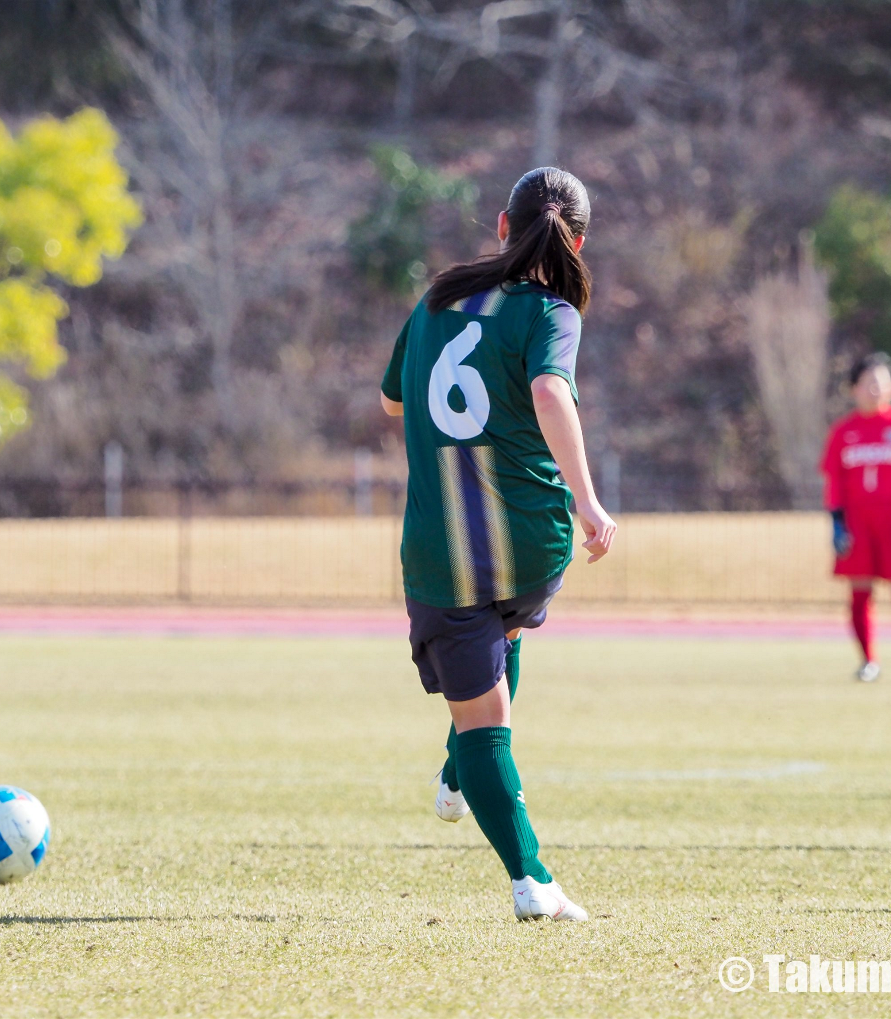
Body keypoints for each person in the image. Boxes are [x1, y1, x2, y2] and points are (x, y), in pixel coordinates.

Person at [380, 167, 617, 920]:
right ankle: (465, 776)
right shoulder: (554, 312)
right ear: (578, 242)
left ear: (501, 224)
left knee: (483, 720)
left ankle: (531, 880)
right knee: (503, 636)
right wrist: (587, 499)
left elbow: (391, 399)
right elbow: (549, 391)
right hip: (531, 543)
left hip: (437, 552)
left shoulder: (436, 302)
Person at [819, 352, 891, 682]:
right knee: (859, 592)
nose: (875, 389)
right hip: (858, 524)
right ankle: (869, 661)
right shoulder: (844, 431)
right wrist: (837, 524)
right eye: (868, 383)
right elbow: (835, 481)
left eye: (881, 383)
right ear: (853, 389)